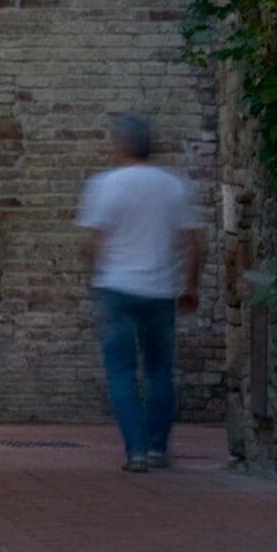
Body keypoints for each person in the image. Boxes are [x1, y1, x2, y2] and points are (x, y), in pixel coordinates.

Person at [78, 113, 203, 471]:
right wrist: (190, 285)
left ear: (119, 144)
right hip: (160, 290)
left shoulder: (105, 185)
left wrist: (95, 278)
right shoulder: (173, 185)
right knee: (160, 370)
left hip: (116, 288)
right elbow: (193, 244)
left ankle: (135, 450)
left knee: (121, 371)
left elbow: (93, 242)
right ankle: (157, 448)